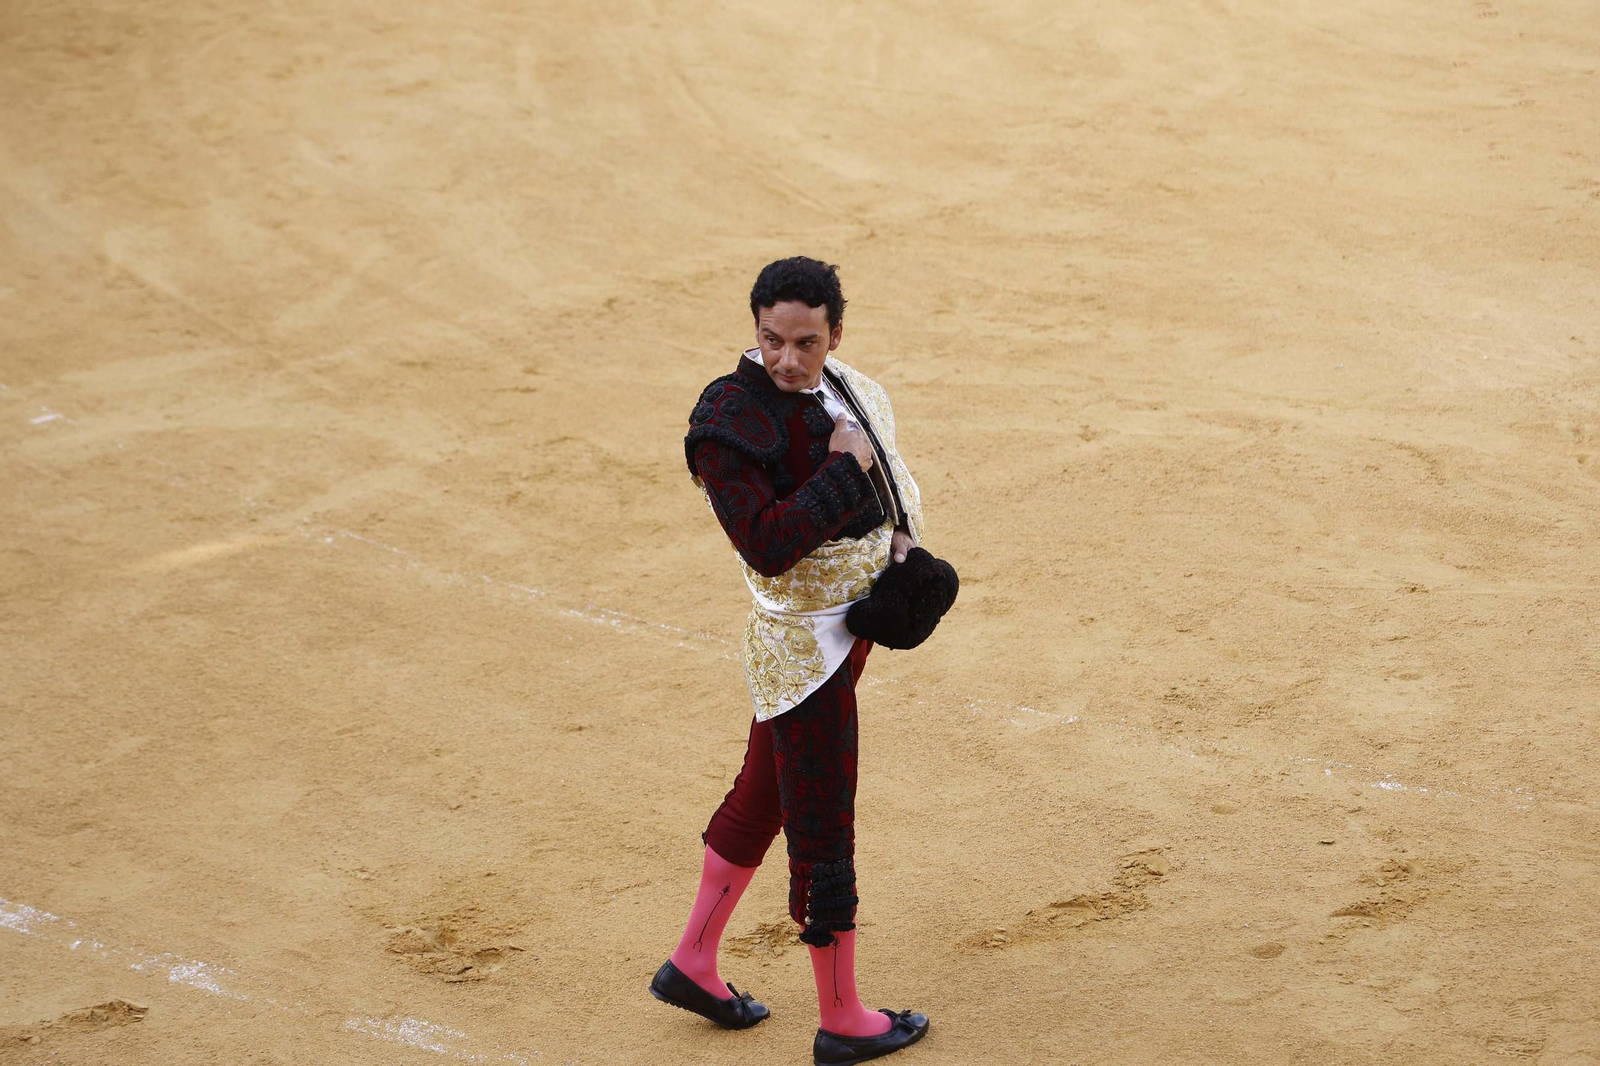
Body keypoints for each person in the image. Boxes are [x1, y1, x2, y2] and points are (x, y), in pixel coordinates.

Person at [647, 257, 931, 1066]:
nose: (788, 360)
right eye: (773, 341)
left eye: (807, 342)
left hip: (851, 626)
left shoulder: (846, 386)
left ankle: (693, 963)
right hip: (802, 647)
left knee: (765, 793)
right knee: (820, 813)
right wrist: (843, 471)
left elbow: (889, 485)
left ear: (834, 334)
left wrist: (905, 545)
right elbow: (768, 546)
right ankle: (843, 1017)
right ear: (756, 330)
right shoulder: (726, 420)